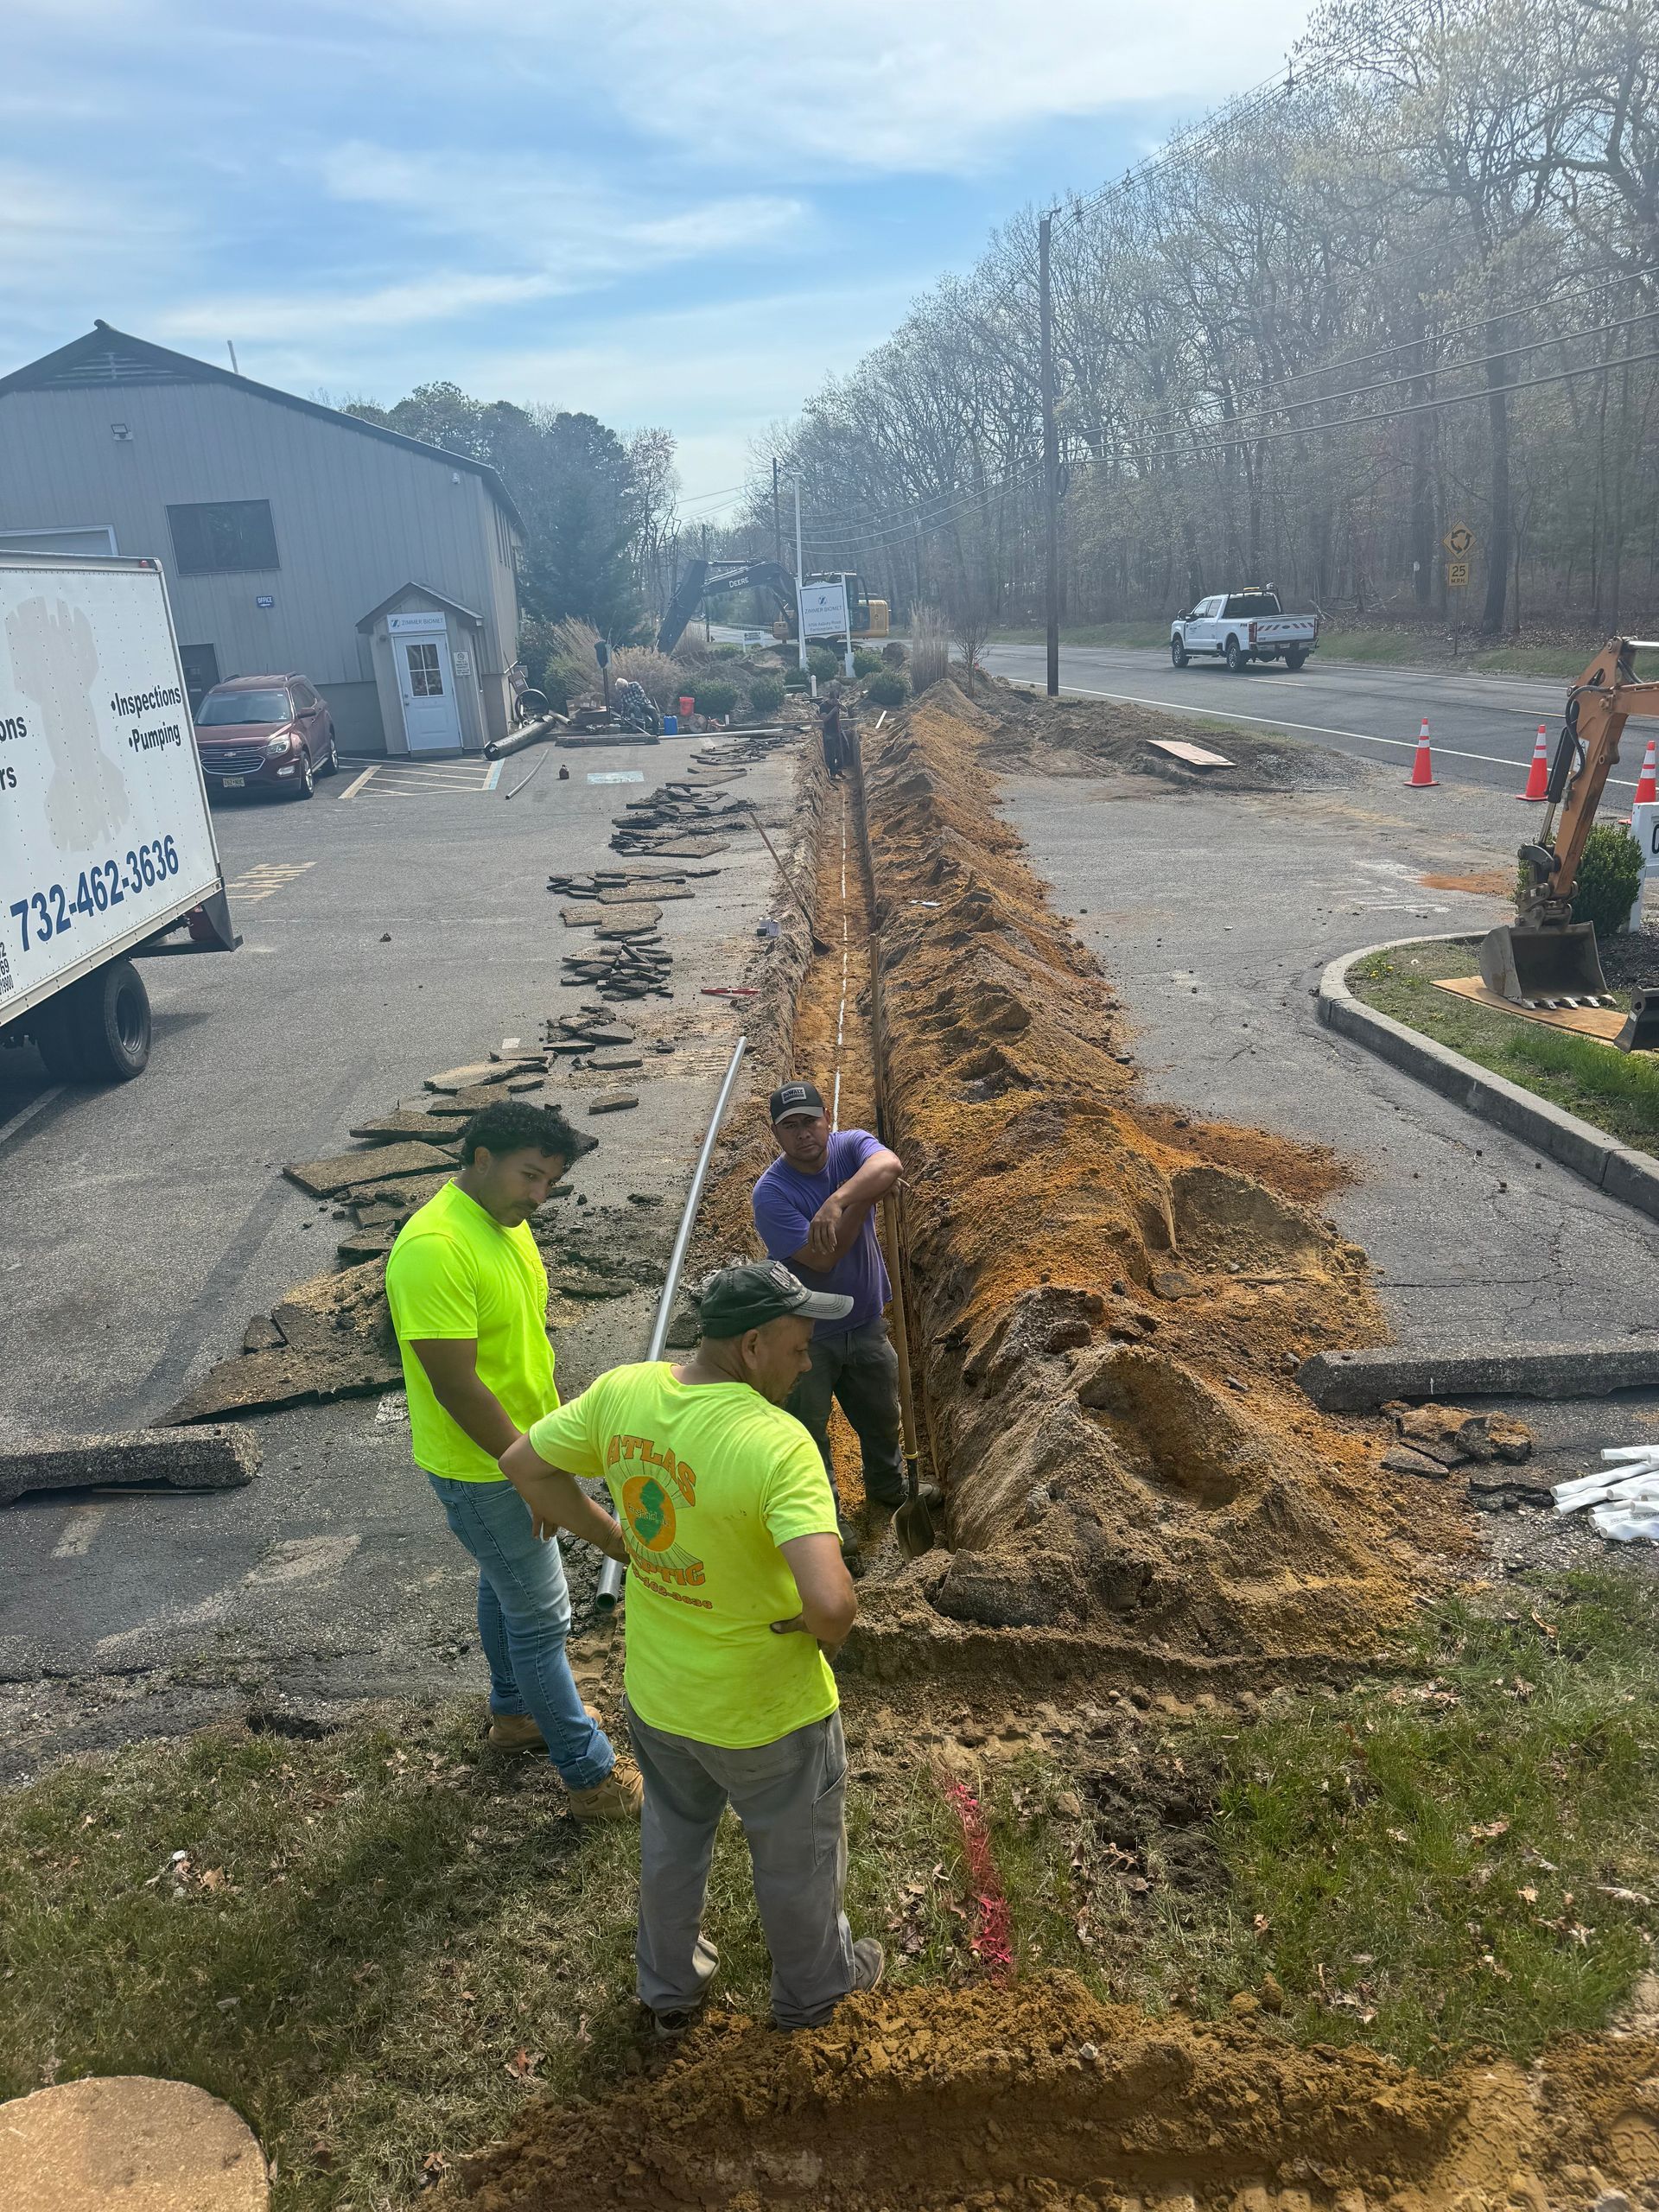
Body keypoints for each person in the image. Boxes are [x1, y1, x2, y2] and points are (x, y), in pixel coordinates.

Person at [499, 1260, 886, 2035]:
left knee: (674, 1840)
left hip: (660, 1694)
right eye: (800, 1347)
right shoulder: (777, 1444)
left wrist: (615, 1539)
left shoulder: (625, 1391)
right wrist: (823, 1634)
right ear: (751, 1346)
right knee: (794, 1860)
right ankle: (815, 1992)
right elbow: (834, 1603)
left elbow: (523, 1467)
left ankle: (668, 1988)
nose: (808, 1362)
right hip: (767, 1712)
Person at [385, 1096, 641, 1823]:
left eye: (550, 1183)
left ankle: (513, 1714)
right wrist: (532, 1472)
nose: (539, 1196)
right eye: (530, 1176)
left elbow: (519, 1346)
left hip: (521, 1452)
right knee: (542, 1617)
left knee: (508, 1584)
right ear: (481, 1157)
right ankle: (590, 1776)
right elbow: (456, 1384)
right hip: (485, 1465)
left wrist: (548, 1444)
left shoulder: (503, 1224)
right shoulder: (436, 1247)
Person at [750, 1082, 906, 1549]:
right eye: (790, 1126)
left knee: (881, 1416)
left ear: (826, 1120)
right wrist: (865, 1197)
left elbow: (890, 1164)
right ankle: (828, 1522)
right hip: (805, 1337)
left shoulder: (851, 1145)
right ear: (776, 1133)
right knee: (809, 1434)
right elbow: (824, 1258)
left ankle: (889, 1488)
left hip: (865, 1321)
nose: (804, 1134)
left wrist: (836, 1201)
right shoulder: (771, 1194)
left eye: (810, 1121)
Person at [817, 685, 845, 780]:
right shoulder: (823, 706)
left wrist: (840, 705)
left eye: (837, 700)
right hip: (829, 732)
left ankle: (838, 769)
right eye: (834, 700)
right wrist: (833, 711)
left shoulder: (837, 704)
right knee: (831, 753)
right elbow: (824, 719)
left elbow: (845, 709)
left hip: (838, 730)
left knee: (844, 749)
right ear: (830, 698)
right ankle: (833, 773)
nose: (835, 702)